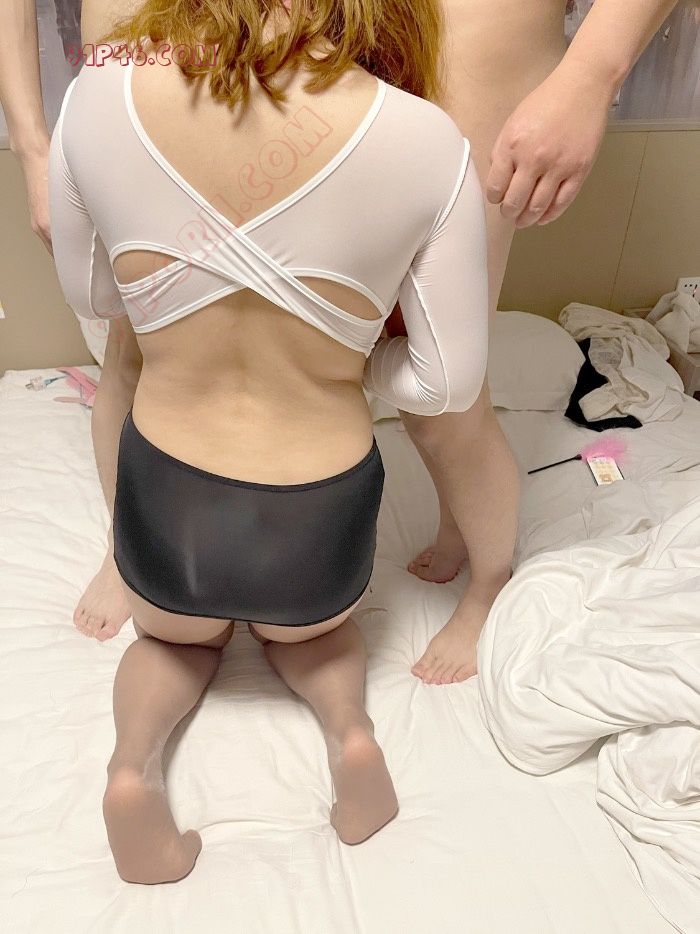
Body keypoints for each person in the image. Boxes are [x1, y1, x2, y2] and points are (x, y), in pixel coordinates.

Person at [0, 0, 682, 682]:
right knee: (143, 340)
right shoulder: (108, 93)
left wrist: (592, 72)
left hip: (468, 21)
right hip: (215, 24)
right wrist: (34, 145)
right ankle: (132, 542)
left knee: (447, 396)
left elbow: (444, 379)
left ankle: (486, 579)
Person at [48, 0, 490, 882]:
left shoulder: (102, 89)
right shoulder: (427, 142)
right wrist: (349, 363)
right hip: (317, 511)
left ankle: (131, 769)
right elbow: (449, 383)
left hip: (169, 494)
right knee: (315, 640)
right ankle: (351, 735)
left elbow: (93, 295)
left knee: (171, 643)